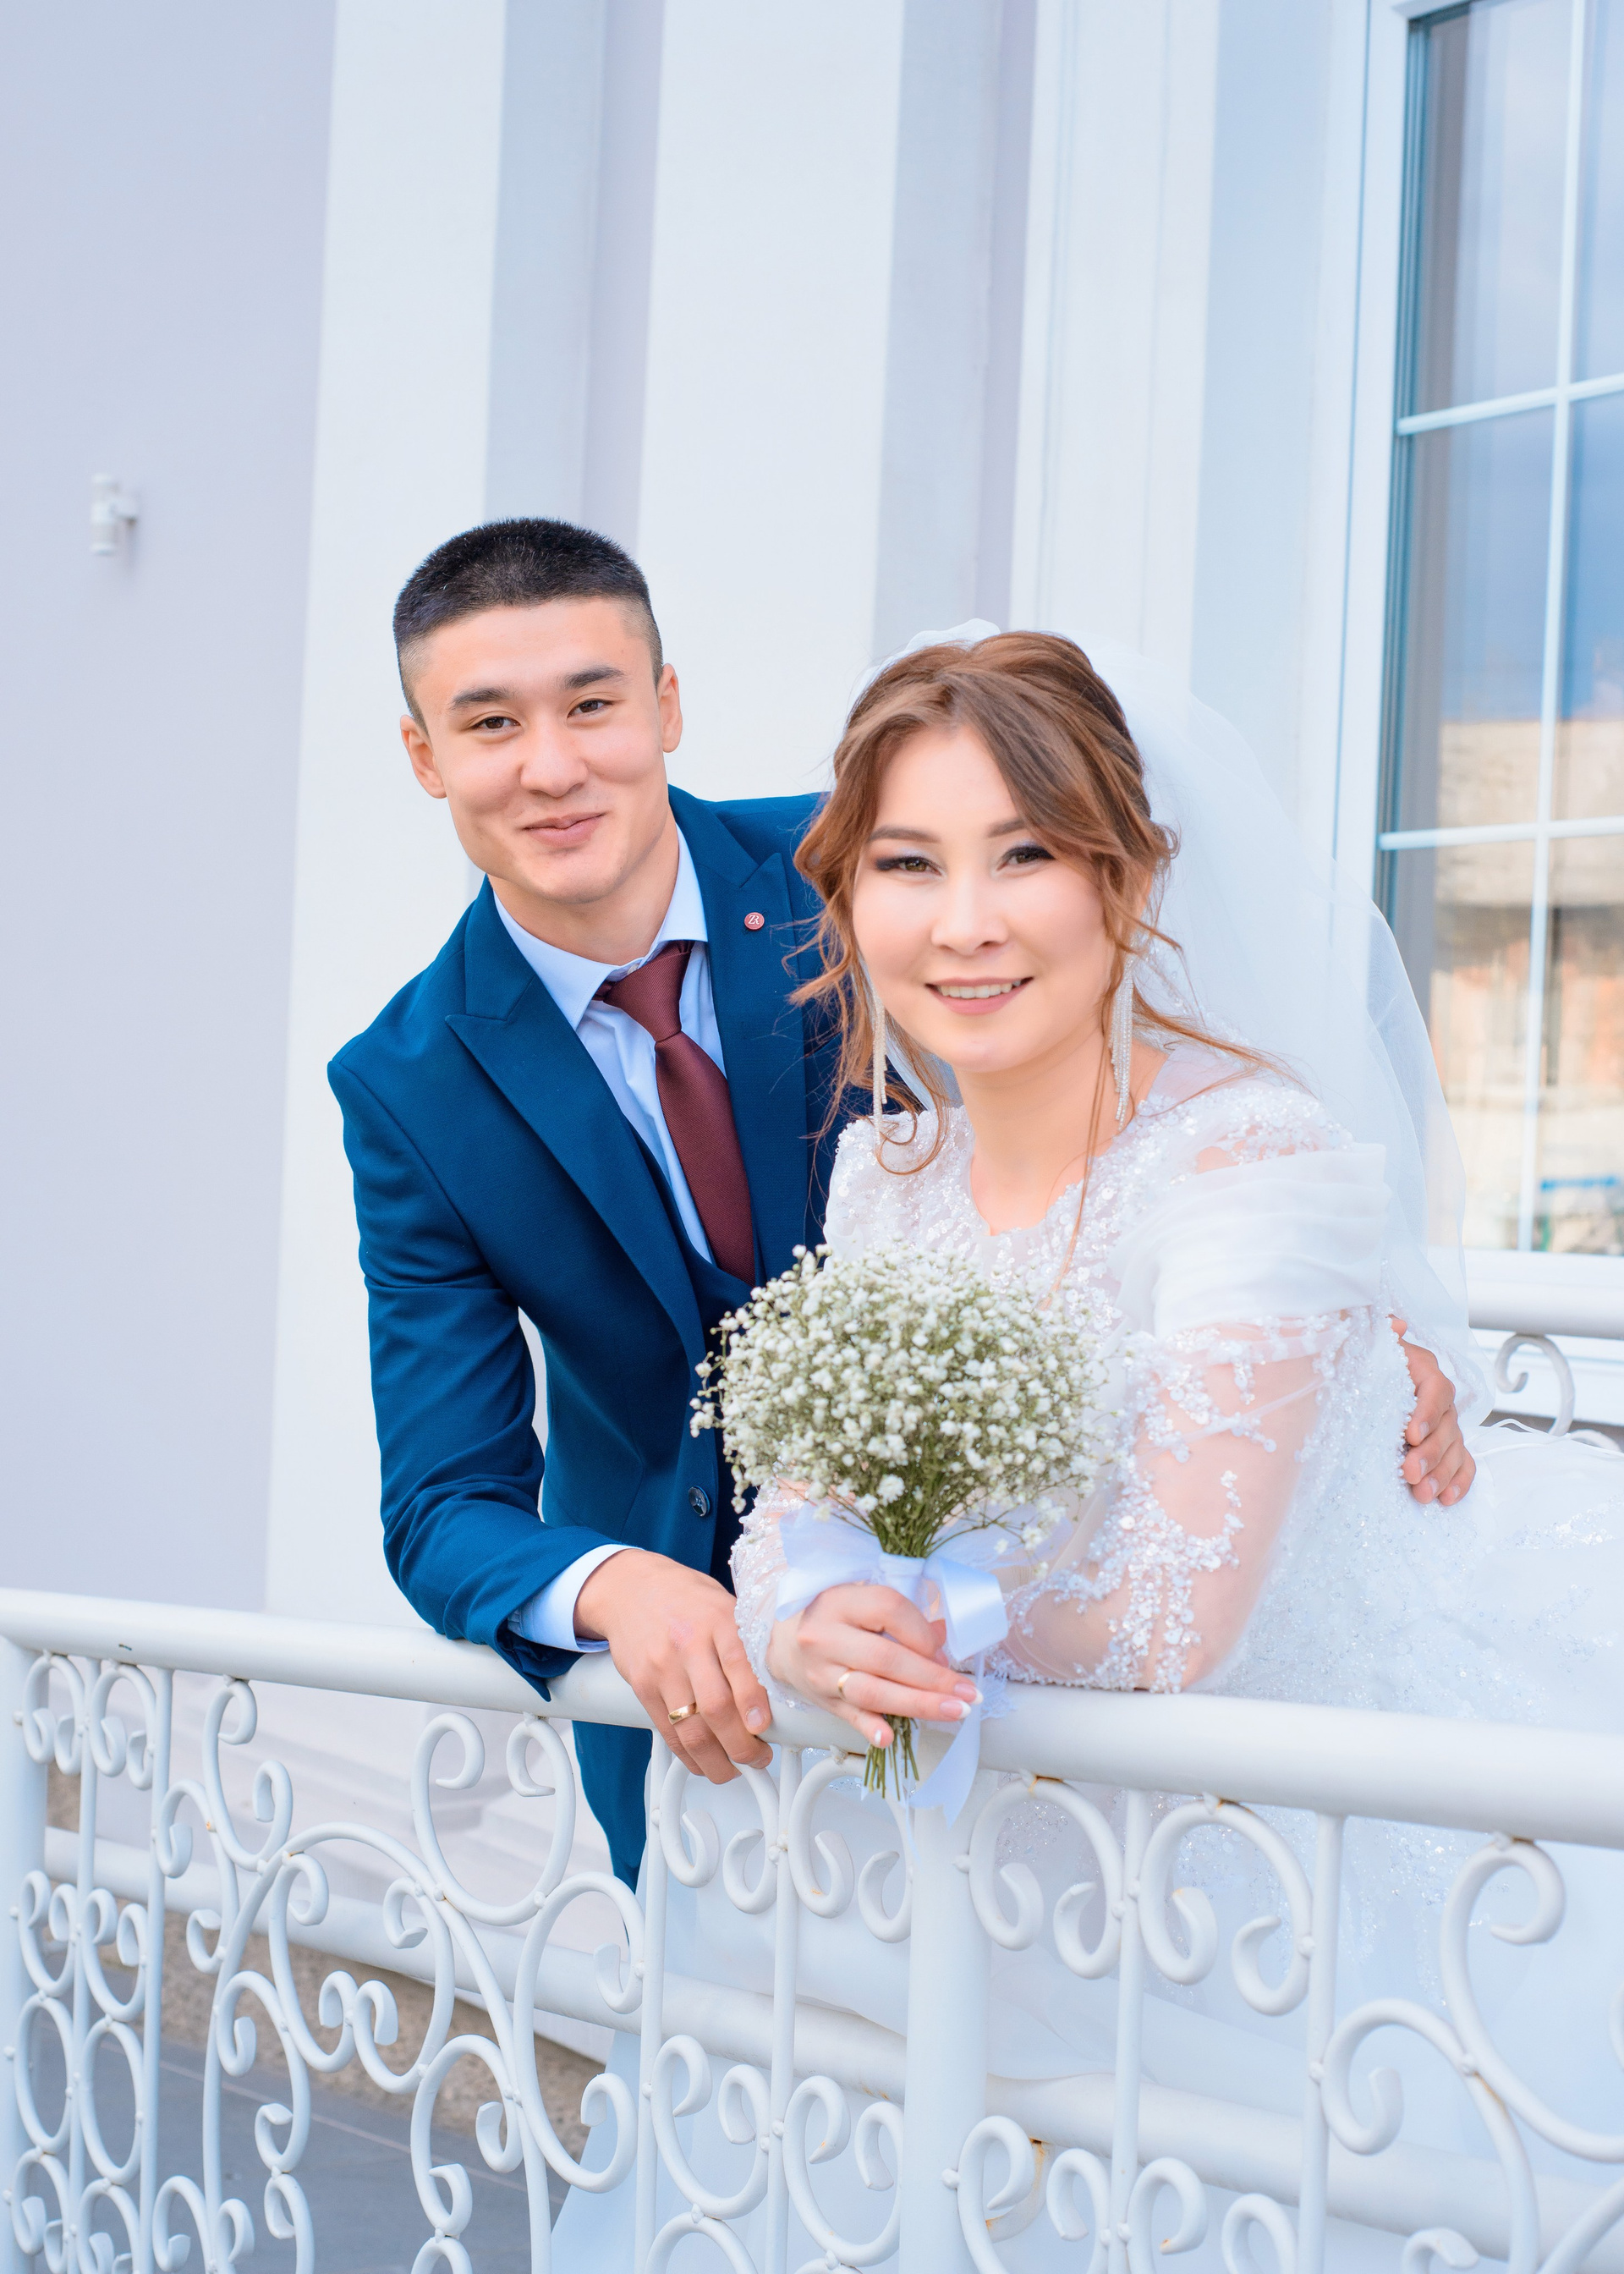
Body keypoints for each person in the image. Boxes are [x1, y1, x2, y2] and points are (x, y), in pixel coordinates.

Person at [554, 626, 1624, 2267]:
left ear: (1125, 878)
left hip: (1263, 1889)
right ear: (846, 899)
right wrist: (801, 1621)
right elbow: (792, 1521)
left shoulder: (1253, 1163)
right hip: (964, 1862)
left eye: (1027, 855)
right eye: (909, 863)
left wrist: (907, 1621)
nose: (965, 921)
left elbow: (1175, 1618)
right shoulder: (886, 1173)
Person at [330, 527, 1472, 1890]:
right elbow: (442, 1498)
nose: (552, 765)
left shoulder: (883, 860)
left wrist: (1353, 1325)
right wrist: (619, 1585)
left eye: (591, 703)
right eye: (490, 724)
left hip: (1119, 1744)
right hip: (711, 1705)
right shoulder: (406, 1082)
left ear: (666, 705)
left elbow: (1164, 1141)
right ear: (425, 757)